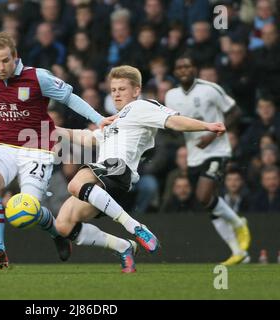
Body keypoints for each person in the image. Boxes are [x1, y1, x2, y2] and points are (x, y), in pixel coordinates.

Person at [0, 31, 115, 269]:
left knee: (30, 210)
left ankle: (57, 233)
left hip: (36, 148)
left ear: (15, 56)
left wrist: (98, 119)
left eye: (5, 60)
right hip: (3, 145)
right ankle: (0, 251)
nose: (1, 67)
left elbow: (70, 98)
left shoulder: (38, 77)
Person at [55, 65, 226, 273]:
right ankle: (123, 246)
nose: (116, 94)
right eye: (114, 90)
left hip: (118, 169)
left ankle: (135, 227)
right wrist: (52, 129)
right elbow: (88, 138)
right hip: (103, 181)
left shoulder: (141, 107)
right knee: (64, 225)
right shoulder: (114, 120)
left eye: (122, 89)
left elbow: (173, 121)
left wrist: (207, 126)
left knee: (76, 183)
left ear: (136, 91)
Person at [165, 55, 251, 266]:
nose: (184, 69)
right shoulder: (171, 96)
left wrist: (213, 134)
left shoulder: (210, 89)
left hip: (217, 151)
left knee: (204, 196)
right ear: (175, 72)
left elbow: (235, 112)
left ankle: (238, 222)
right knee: (209, 203)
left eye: (187, 65)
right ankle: (239, 252)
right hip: (194, 156)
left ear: (194, 68)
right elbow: (174, 124)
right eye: (179, 66)